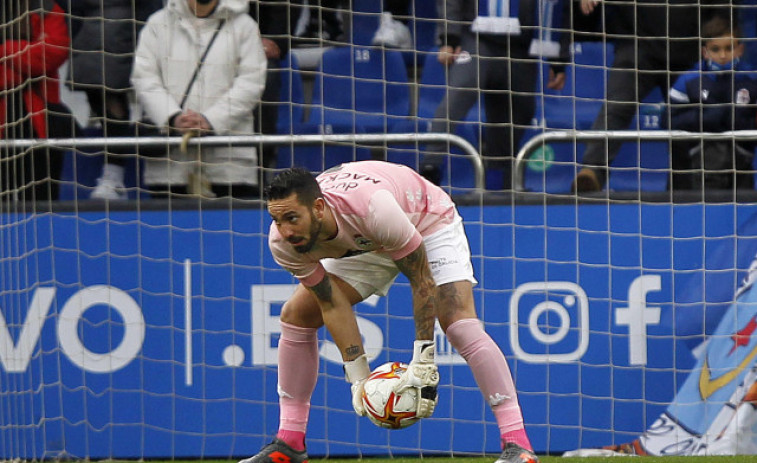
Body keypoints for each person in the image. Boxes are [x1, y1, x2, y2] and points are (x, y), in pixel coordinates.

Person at [240, 161, 539, 463]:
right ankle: (290, 442)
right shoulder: (283, 243)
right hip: (363, 244)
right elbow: (330, 303)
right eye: (277, 220)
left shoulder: (373, 209)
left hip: (424, 221)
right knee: (297, 315)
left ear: (318, 208)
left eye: (292, 218)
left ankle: (518, 444)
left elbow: (421, 280)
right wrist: (358, 377)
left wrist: (423, 360)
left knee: (459, 324)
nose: (286, 231)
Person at [571, 0, 728, 193]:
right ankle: (592, 171)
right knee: (617, 105)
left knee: (685, 122)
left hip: (689, 49)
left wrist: (721, 28)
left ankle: (683, 192)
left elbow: (725, 8)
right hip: (638, 44)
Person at [420, 0, 569, 189]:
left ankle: (500, 186)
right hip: (475, 37)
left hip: (521, 46)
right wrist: (449, 36)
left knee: (519, 113)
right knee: (458, 96)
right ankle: (429, 170)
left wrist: (559, 57)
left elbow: (560, 6)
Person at [130, 0, 267, 199]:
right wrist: (173, 117)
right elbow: (143, 78)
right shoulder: (157, 23)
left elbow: (251, 82)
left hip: (229, 163)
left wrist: (210, 120)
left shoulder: (245, 25)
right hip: (170, 164)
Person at [67, 0, 163, 200]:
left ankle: (115, 176)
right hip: (90, 30)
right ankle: (112, 176)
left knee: (116, 92)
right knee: (99, 88)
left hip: (133, 25)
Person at [1, 0, 80, 204]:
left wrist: (4, 49)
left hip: (40, 122)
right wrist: (25, 55)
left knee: (41, 204)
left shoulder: (46, 7)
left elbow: (53, 53)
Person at [668, 16, 757, 191]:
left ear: (740, 49)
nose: (723, 56)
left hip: (743, 168)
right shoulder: (689, 80)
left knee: (742, 213)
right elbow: (669, 121)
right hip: (702, 168)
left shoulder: (752, 79)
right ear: (705, 52)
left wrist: (744, 122)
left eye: (729, 48)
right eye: (715, 49)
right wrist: (704, 118)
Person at [249, 0, 289, 189]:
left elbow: (280, 15)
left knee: (268, 75)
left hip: (254, 54)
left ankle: (261, 167)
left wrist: (274, 40)